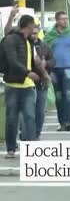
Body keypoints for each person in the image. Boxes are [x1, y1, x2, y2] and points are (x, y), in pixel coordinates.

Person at [3, 15, 40, 158]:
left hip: (28, 86)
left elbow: (33, 62)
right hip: (13, 85)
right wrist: (27, 72)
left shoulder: (29, 42)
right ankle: (11, 148)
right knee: (12, 118)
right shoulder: (12, 39)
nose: (35, 28)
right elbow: (12, 61)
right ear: (29, 26)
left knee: (30, 116)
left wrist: (42, 76)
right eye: (34, 25)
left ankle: (31, 148)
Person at [44, 11, 70, 132]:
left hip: (68, 67)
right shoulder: (50, 35)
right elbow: (44, 52)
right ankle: (62, 122)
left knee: (68, 94)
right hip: (54, 69)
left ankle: (68, 121)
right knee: (59, 96)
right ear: (57, 21)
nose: (65, 21)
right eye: (62, 19)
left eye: (66, 18)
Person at [30, 26, 55, 140]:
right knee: (28, 109)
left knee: (40, 110)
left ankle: (37, 132)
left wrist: (46, 64)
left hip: (42, 82)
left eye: (36, 33)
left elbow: (53, 60)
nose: (34, 35)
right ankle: (26, 131)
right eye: (32, 33)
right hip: (29, 81)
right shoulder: (25, 45)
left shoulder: (45, 46)